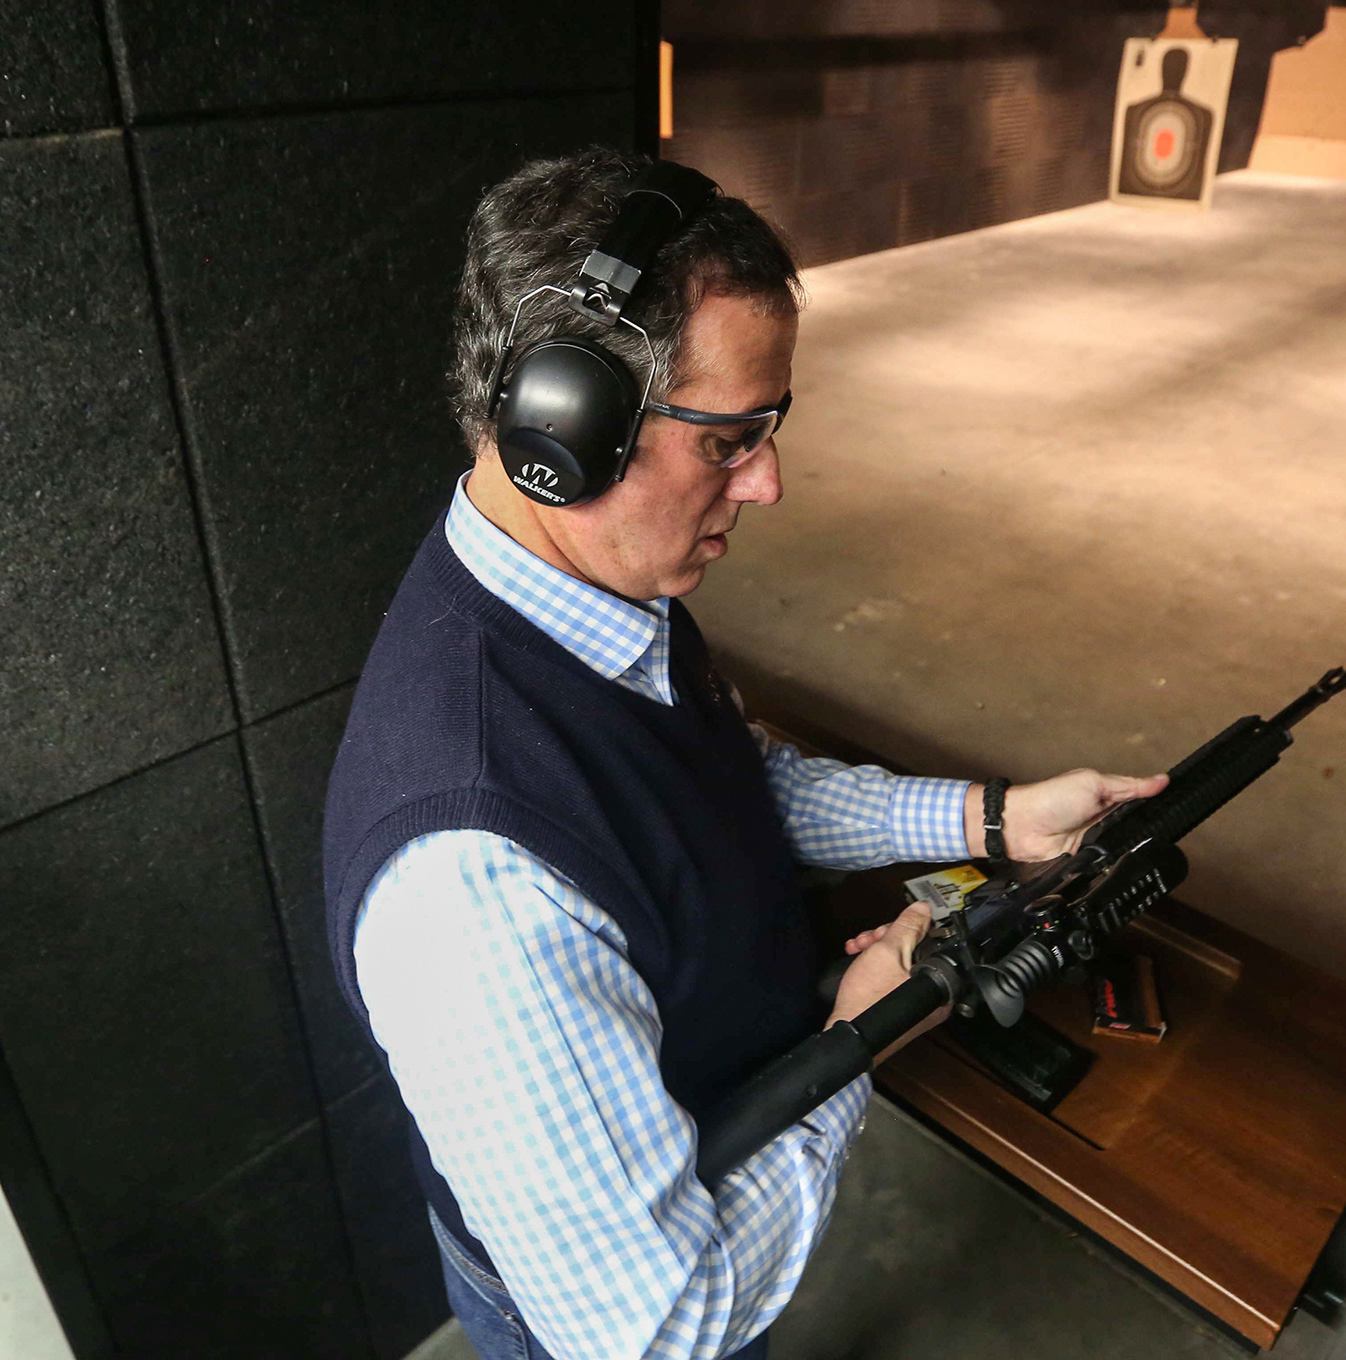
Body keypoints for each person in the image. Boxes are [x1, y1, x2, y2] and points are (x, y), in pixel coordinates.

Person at [322, 147, 1165, 1360]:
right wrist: (864, 1035)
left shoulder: (590, 593)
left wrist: (991, 820)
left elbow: (714, 785)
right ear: (566, 426)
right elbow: (660, 1324)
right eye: (730, 438)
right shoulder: (477, 891)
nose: (768, 483)